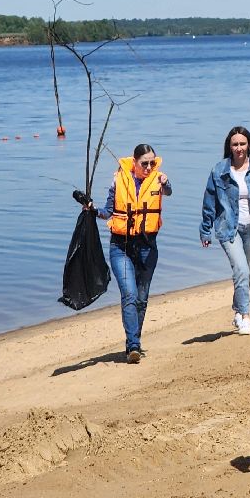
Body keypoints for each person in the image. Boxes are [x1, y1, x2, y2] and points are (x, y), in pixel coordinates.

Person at [89, 143, 170, 363]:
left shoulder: (158, 178)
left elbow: (168, 191)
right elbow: (108, 211)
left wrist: (165, 182)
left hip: (147, 247)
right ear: (134, 162)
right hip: (121, 247)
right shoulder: (119, 180)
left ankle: (133, 341)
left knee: (142, 299)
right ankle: (133, 346)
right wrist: (92, 210)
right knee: (130, 295)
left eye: (152, 162)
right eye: (145, 163)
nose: (149, 166)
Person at [201, 126, 250, 336]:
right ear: (229, 147)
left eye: (242, 144)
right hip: (229, 228)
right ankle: (245, 317)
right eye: (235, 144)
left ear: (248, 144)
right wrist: (206, 230)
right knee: (241, 270)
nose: (239, 148)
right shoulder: (219, 171)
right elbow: (209, 202)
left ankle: (237, 310)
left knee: (247, 273)